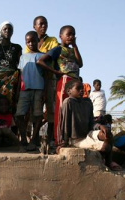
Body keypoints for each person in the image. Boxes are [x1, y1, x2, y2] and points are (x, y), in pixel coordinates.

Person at [57, 80, 120, 170]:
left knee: (107, 132)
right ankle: (106, 159)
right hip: (77, 139)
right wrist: (65, 141)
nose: (81, 91)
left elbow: (91, 122)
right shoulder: (68, 102)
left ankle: (109, 161)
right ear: (69, 91)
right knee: (106, 147)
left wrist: (100, 126)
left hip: (88, 134)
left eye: (82, 88)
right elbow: (65, 123)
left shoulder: (87, 102)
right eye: (78, 89)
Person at [38, 25, 83, 145]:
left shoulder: (73, 50)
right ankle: (58, 139)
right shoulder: (58, 49)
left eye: (73, 34)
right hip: (64, 80)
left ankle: (71, 138)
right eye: (68, 34)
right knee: (60, 110)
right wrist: (56, 72)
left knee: (73, 111)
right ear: (61, 36)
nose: (71, 37)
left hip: (75, 81)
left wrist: (74, 45)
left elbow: (80, 63)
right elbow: (40, 61)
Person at [28, 16, 59, 149]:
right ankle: (34, 138)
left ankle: (50, 138)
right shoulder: (29, 41)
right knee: (36, 110)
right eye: (40, 24)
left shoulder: (52, 40)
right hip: (35, 80)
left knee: (51, 108)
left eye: (45, 23)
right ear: (34, 26)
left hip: (49, 78)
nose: (43, 26)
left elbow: (52, 56)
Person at [16, 31, 46, 152]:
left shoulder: (43, 56)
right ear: (25, 43)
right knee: (19, 114)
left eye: (33, 41)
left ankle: (34, 138)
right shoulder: (23, 57)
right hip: (25, 90)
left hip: (39, 89)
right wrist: (18, 89)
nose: (31, 43)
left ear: (38, 41)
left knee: (37, 114)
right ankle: (23, 137)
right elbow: (20, 75)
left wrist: (45, 91)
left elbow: (47, 75)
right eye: (28, 41)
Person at [0, 21, 22, 113]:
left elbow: (20, 66)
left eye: (10, 29)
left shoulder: (17, 47)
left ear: (13, 32)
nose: (7, 31)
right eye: (5, 29)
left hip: (12, 81)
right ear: (1, 31)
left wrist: (19, 84)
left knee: (12, 104)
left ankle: (11, 126)